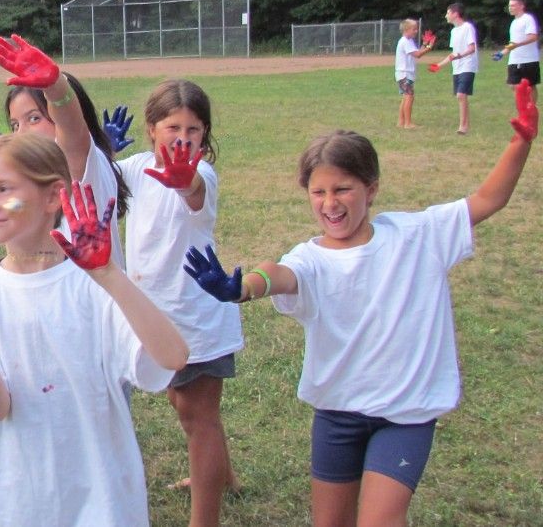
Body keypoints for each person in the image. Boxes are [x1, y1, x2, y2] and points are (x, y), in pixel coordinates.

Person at [183, 81, 537, 527]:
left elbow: (488, 199)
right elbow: (278, 274)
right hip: (337, 414)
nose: (330, 203)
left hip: (404, 416)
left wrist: (520, 142)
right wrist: (242, 289)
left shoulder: (418, 235)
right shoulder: (310, 257)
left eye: (343, 189)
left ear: (371, 189)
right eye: (318, 192)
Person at [0, 134, 188, 526]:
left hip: (100, 492)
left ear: (52, 197)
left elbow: (174, 357)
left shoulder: (95, 285)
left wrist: (109, 275)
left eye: (4, 189)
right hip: (17, 493)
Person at [115, 79, 240, 527]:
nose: (183, 137)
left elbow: (195, 196)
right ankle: (222, 473)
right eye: (173, 127)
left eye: (193, 129)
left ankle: (204, 519)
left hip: (197, 313)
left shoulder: (202, 172)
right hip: (154, 316)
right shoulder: (134, 168)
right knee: (182, 402)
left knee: (197, 414)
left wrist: (187, 183)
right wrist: (105, 153)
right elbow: (100, 184)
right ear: (152, 128)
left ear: (205, 133)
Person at [0, 34, 130, 267]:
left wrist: (55, 88)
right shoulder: (36, 178)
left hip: (95, 299)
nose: (21, 133)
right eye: (15, 124)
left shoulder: (77, 163)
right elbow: (13, 210)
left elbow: (71, 129)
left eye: (34, 118)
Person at [429, 3, 478, 134]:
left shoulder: (467, 27)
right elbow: (453, 54)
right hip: (457, 68)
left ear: (455, 14)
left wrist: (460, 55)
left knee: (460, 95)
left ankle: (463, 127)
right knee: (461, 96)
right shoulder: (454, 31)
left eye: (448, 13)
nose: (446, 16)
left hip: (468, 66)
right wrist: (439, 65)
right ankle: (465, 124)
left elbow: (471, 48)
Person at [394, 21, 435, 129]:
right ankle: (408, 123)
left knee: (405, 97)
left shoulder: (408, 41)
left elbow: (417, 51)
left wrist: (425, 44)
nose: (416, 31)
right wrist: (430, 46)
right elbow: (418, 55)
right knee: (409, 97)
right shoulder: (405, 42)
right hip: (405, 74)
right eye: (414, 29)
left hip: (404, 74)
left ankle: (401, 122)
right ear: (406, 30)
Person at [501, 0, 539, 103]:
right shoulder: (513, 23)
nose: (510, 8)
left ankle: (531, 109)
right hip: (514, 59)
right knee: (512, 85)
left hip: (528, 59)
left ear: (521, 6)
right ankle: (523, 110)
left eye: (513, 5)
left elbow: (533, 37)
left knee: (530, 86)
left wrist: (517, 44)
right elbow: (513, 43)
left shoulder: (528, 19)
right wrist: (502, 53)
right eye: (509, 6)